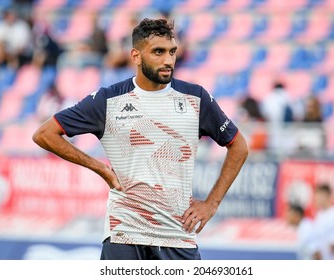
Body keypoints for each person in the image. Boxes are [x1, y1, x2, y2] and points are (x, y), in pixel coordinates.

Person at [32, 18, 249, 260]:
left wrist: (211, 204)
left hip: (177, 234)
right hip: (124, 233)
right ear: (136, 56)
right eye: (158, 52)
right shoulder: (108, 100)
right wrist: (101, 169)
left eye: (172, 52)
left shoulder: (195, 98)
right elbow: (44, 134)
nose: (168, 60)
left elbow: (238, 146)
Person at [314, 183, 334, 260]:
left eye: (318, 196)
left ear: (326, 195)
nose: (316, 199)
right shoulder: (319, 214)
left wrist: (321, 256)